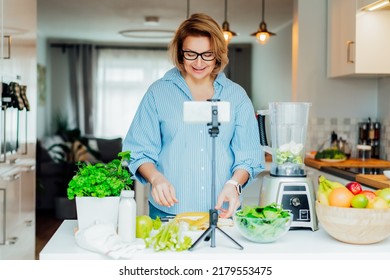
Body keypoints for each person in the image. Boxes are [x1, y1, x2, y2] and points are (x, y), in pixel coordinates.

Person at [122, 13, 264, 220]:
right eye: (191, 54)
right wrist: (156, 178)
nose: (199, 62)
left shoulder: (236, 96)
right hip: (168, 213)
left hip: (224, 214)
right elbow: (138, 151)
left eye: (207, 54)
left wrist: (234, 184)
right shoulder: (158, 93)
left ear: (218, 54)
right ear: (180, 54)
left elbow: (249, 156)